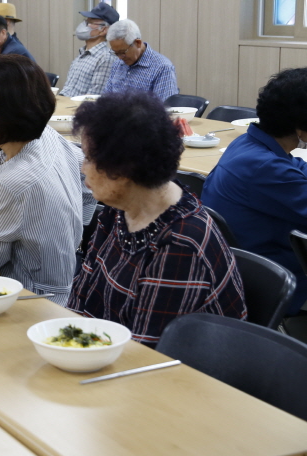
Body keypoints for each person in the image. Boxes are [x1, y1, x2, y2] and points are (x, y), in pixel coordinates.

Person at [69, 91, 247, 346]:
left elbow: (146, 354)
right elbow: (80, 297)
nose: (82, 167)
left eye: (88, 158)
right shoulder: (118, 209)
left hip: (173, 378)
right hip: (100, 354)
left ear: (123, 169)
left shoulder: (180, 244)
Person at [0, 55, 94, 302]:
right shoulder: (47, 135)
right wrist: (72, 237)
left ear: (5, 114)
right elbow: (87, 187)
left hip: (26, 301)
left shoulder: (13, 184)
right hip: (65, 284)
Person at [203, 68, 307, 314]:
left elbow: (296, 166)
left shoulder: (248, 144)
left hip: (239, 265)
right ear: (300, 126)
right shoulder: (267, 168)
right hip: (269, 278)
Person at [102, 19, 179, 101]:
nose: (120, 57)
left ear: (138, 43)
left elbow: (164, 109)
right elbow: (106, 98)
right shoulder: (118, 64)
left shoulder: (162, 68)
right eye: (116, 53)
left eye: (123, 52)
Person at [59, 2, 119, 97]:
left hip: (77, 110)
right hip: (64, 104)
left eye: (90, 23)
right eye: (85, 21)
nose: (83, 25)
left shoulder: (106, 58)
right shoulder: (83, 53)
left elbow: (93, 98)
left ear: (103, 30)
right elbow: (68, 89)